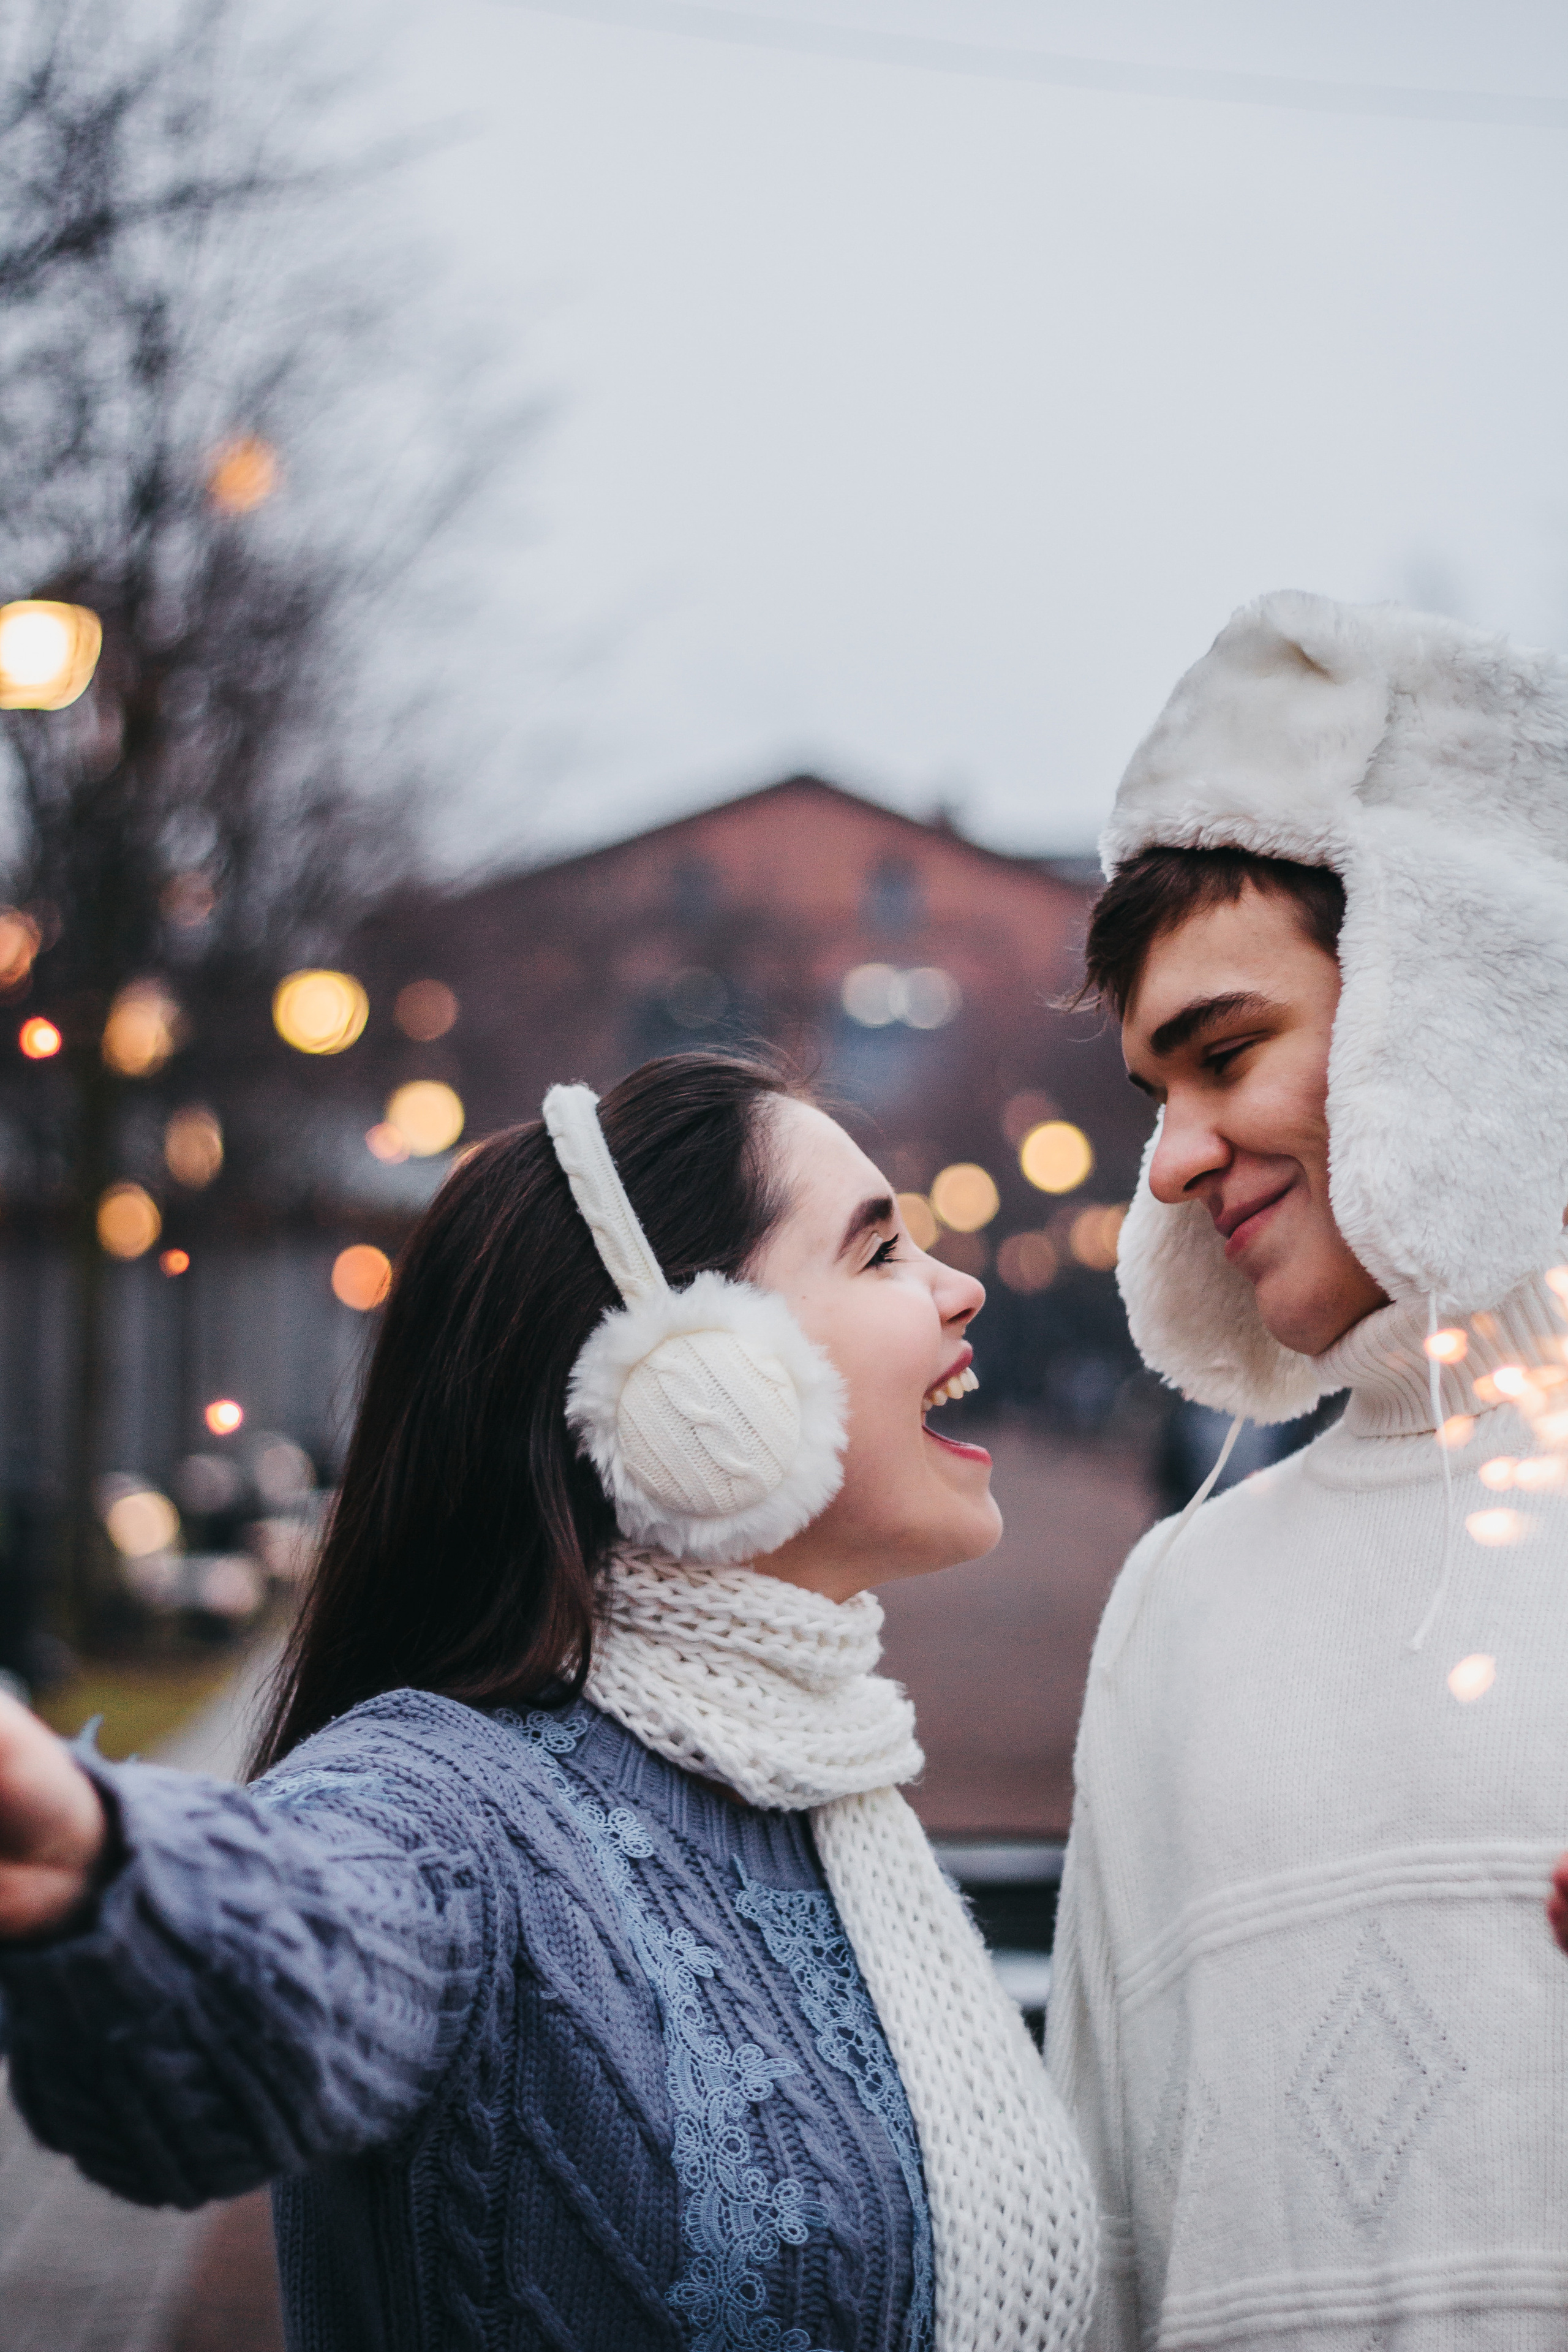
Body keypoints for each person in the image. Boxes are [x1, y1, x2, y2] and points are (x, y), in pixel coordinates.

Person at [0, 1051, 1095, 2352]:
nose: (959, 1285)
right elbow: (301, 1929)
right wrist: (98, 1859)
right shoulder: (454, 1805)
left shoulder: (829, 1787)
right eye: (878, 1255)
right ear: (695, 1383)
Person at [1047, 589, 1568, 2348]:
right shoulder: (1180, 1604)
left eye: (1225, 1053)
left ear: (1457, 1002)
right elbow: (1102, 2235)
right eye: (1151, 1094)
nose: (1176, 1159)